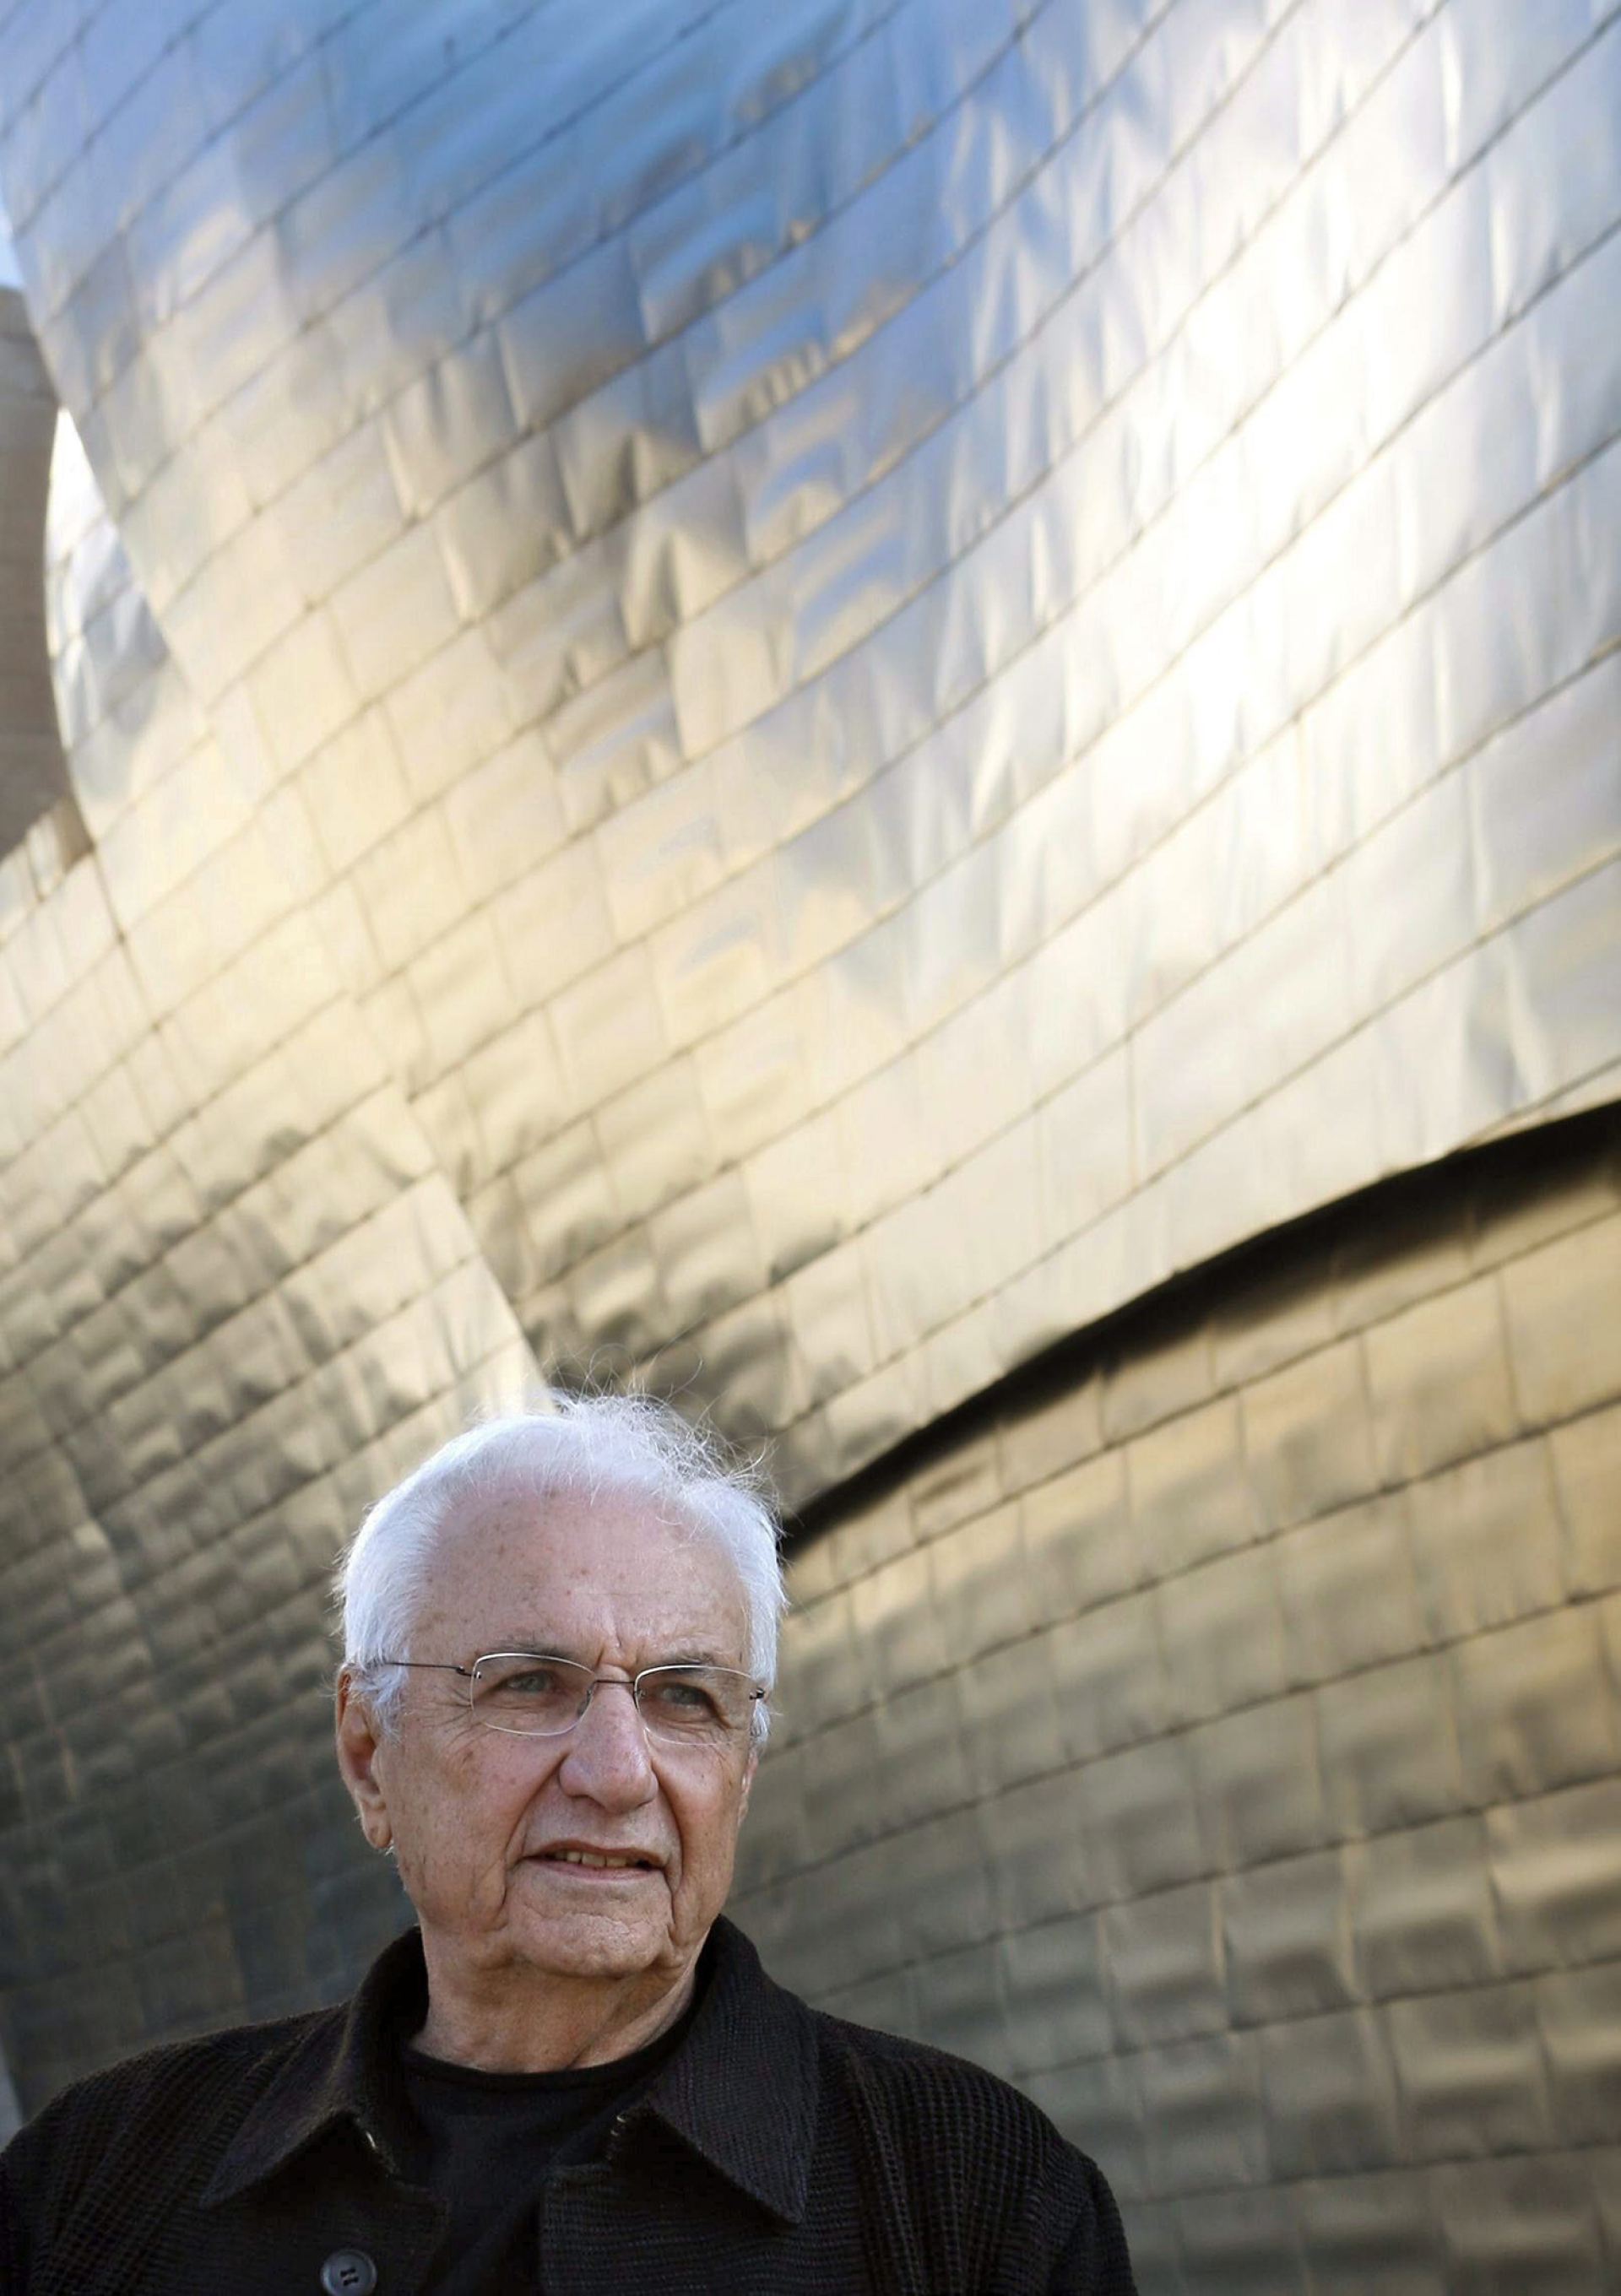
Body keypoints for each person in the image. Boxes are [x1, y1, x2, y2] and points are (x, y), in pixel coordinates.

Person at [0, 1393, 1135, 2293]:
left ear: (744, 1764)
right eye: (530, 1683)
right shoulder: (98, 2183)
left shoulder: (977, 2202)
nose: (615, 1772)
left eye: (685, 1697)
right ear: (367, 1753)